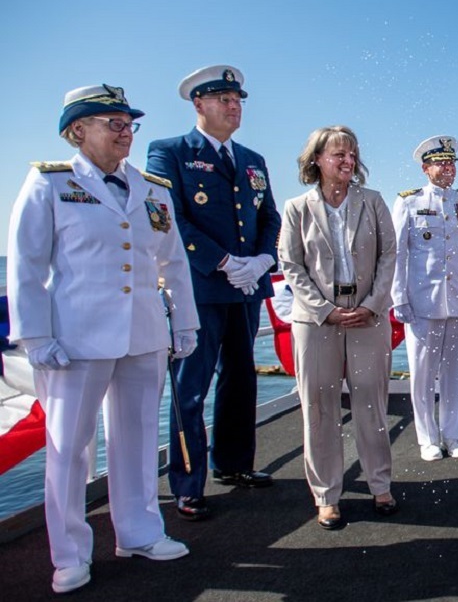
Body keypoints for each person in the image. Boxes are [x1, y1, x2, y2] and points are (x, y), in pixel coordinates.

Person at [7, 84, 199, 594]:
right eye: (111, 122)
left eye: (128, 123)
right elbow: (26, 267)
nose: (124, 132)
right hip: (75, 340)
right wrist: (36, 336)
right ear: (77, 130)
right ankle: (69, 553)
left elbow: (173, 262)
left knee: (138, 439)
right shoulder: (50, 183)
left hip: (143, 333)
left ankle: (138, 531)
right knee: (69, 448)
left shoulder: (153, 189)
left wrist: (184, 323)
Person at [146, 65, 281, 521]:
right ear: (197, 104)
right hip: (199, 289)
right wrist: (223, 262)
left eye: (237, 99)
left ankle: (235, 464)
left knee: (242, 381)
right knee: (190, 390)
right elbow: (167, 217)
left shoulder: (252, 160)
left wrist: (263, 261)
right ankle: (186, 483)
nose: (233, 106)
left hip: (247, 290)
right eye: (223, 99)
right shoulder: (169, 153)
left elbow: (269, 218)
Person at [278, 125, 399, 528]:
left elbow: (389, 256)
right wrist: (323, 309)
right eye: (338, 155)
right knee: (319, 407)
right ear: (317, 160)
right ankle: (326, 495)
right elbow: (291, 265)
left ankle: (380, 485)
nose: (347, 161)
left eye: (352, 154)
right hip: (316, 322)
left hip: (367, 317)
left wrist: (372, 304)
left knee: (371, 403)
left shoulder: (373, 201)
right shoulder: (296, 208)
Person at [391, 135, 458, 462]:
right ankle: (427, 438)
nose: (448, 168)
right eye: (441, 163)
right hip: (423, 302)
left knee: (457, 373)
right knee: (421, 373)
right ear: (425, 167)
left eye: (451, 163)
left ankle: (454, 435)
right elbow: (398, 254)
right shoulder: (408, 202)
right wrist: (398, 298)